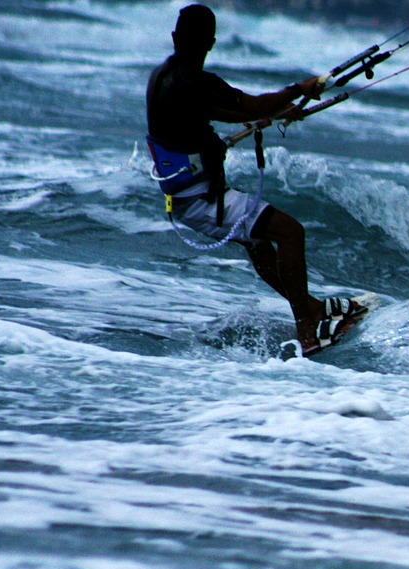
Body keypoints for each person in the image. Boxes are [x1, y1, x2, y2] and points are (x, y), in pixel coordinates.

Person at [147, 3, 360, 356]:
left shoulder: (166, 77)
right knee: (291, 232)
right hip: (201, 199)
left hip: (187, 197)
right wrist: (298, 89)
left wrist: (276, 113)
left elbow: (218, 111)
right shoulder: (196, 81)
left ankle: (310, 307)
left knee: (259, 244)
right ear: (211, 43)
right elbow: (254, 106)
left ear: (175, 38)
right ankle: (308, 330)